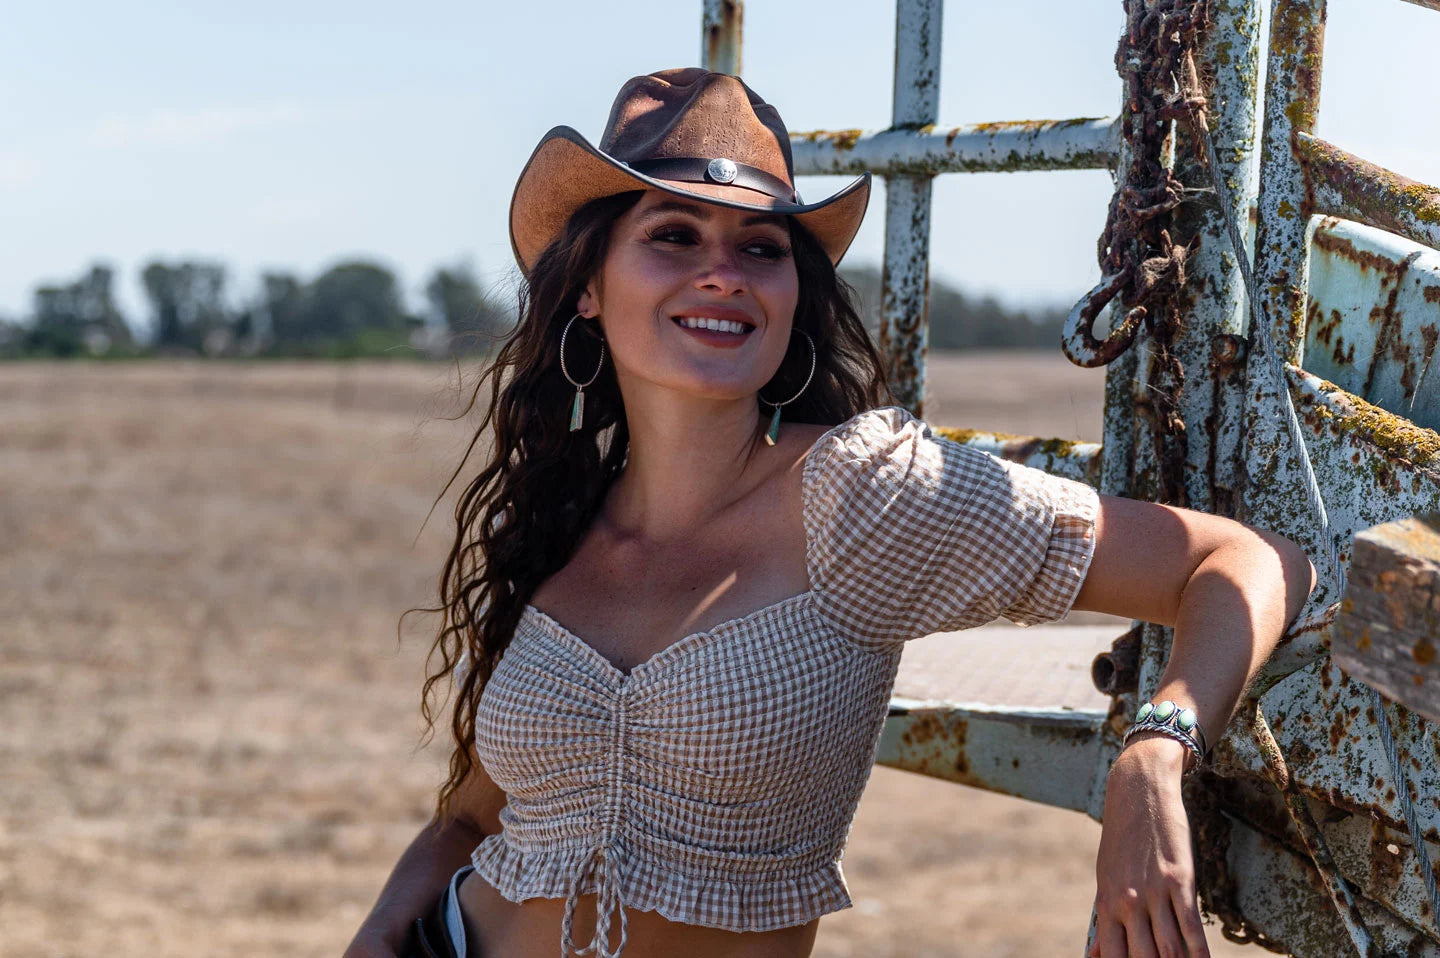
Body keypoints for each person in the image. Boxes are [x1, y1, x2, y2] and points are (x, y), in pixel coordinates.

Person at [345, 67, 1316, 958]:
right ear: (590, 287)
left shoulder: (868, 497)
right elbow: (468, 821)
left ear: (789, 292)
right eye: (674, 234)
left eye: (759, 247)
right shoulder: (562, 524)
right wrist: (374, 938)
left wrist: (1155, 753)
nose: (721, 270)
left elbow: (1246, 561)